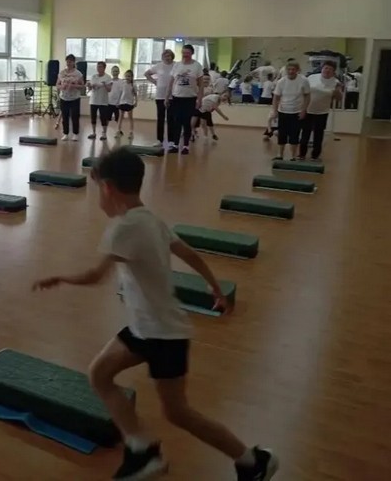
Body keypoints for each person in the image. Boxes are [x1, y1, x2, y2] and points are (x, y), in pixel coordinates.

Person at [32, 147, 279, 481]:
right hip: (146, 328)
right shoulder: (151, 219)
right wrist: (216, 288)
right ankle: (141, 447)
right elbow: (190, 254)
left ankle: (252, 460)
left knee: (179, 412)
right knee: (100, 374)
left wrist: (60, 278)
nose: (98, 198)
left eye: (97, 190)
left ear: (108, 188)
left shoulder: (123, 228)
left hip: (163, 334)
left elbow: (95, 276)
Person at [299, 61, 342, 161]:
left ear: (333, 71)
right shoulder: (312, 77)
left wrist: (337, 91)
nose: (327, 70)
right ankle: (301, 154)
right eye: (326, 68)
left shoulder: (335, 82)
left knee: (318, 134)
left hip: (322, 112)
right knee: (305, 133)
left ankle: (315, 156)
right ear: (322, 69)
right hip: (308, 110)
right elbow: (303, 91)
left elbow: (339, 98)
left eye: (330, 69)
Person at [166, 44, 204, 155]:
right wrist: (167, 97)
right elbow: (171, 82)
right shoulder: (177, 65)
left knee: (187, 122)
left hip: (190, 98)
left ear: (192, 53)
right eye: (183, 52)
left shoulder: (197, 66)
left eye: (187, 53)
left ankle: (186, 146)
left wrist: (199, 99)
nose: (185, 55)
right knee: (177, 121)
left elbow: (201, 85)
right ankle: (175, 145)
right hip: (177, 97)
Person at [272, 61, 311, 161]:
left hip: (297, 112)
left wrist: (304, 110)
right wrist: (275, 111)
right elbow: (276, 97)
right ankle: (280, 155)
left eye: (293, 69)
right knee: (282, 134)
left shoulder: (303, 80)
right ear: (286, 70)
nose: (291, 71)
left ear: (297, 70)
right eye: (289, 69)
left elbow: (307, 96)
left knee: (294, 135)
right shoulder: (281, 82)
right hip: (283, 111)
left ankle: (293, 156)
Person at [145, 50, 175, 147]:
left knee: (171, 118)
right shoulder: (158, 66)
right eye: (165, 56)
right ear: (163, 57)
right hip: (160, 96)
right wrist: (154, 82)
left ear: (172, 56)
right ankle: (159, 140)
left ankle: (171, 141)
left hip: (172, 95)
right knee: (160, 118)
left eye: (169, 56)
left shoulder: (176, 65)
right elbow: (147, 74)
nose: (167, 57)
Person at [56, 54, 85, 142]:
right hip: (64, 98)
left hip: (74, 98)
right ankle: (65, 133)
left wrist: (74, 86)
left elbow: (82, 86)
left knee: (75, 116)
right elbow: (57, 84)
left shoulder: (78, 73)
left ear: (73, 62)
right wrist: (62, 87)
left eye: (70, 62)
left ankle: (75, 134)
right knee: (65, 116)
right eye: (67, 62)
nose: (68, 63)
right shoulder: (62, 73)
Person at [87, 62, 113, 141]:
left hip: (103, 101)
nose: (99, 68)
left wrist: (104, 85)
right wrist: (89, 86)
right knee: (93, 117)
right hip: (93, 100)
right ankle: (93, 132)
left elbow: (109, 90)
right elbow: (90, 88)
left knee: (103, 118)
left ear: (104, 68)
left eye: (100, 67)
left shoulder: (108, 77)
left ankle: (104, 133)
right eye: (98, 67)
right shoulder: (93, 76)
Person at [116, 70, 138, 138]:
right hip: (122, 102)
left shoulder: (133, 85)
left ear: (132, 77)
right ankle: (118, 131)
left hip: (129, 103)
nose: (127, 77)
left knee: (130, 118)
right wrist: (117, 102)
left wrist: (136, 102)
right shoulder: (123, 84)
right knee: (120, 117)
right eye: (126, 76)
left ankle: (131, 132)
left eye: (129, 76)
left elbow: (135, 94)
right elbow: (120, 93)